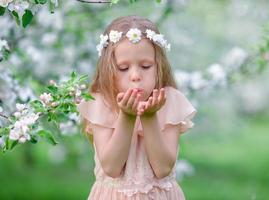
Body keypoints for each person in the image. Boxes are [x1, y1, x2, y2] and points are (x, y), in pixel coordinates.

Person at [77, 15, 196, 200]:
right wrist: (127, 116)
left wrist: (149, 117)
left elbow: (163, 168)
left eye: (146, 66)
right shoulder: (101, 102)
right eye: (123, 68)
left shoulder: (170, 101)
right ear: (108, 69)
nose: (135, 75)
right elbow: (111, 168)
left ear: (159, 66)